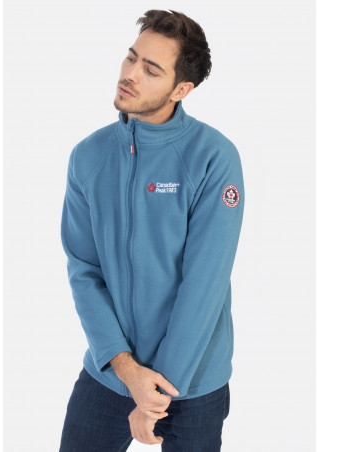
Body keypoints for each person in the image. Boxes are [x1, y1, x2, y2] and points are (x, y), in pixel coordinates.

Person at [59, 9, 245, 452]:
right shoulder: (88, 156)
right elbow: (84, 270)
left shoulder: (214, 158)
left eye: (151, 69)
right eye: (131, 58)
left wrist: (154, 397)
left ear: (181, 89)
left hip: (192, 384)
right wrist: (126, 370)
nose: (130, 74)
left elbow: (204, 285)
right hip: (110, 373)